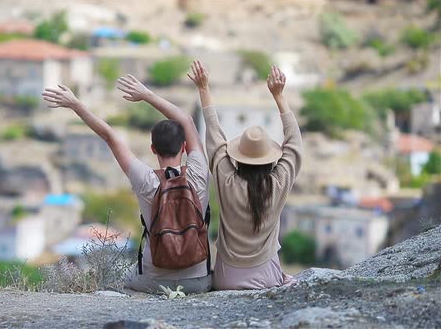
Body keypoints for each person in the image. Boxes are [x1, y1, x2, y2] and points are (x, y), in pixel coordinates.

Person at [42, 76, 212, 294]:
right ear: (184, 147)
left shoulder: (146, 180)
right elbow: (187, 121)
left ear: (152, 149)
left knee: (116, 283)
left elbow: (110, 137)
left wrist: (75, 104)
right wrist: (147, 95)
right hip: (199, 281)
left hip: (153, 280)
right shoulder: (198, 172)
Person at [188, 61, 302, 290]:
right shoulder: (278, 184)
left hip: (226, 278)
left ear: (238, 159)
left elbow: (214, 138)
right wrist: (279, 97)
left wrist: (204, 89)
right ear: (270, 160)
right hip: (267, 278)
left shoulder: (226, 179)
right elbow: (294, 145)